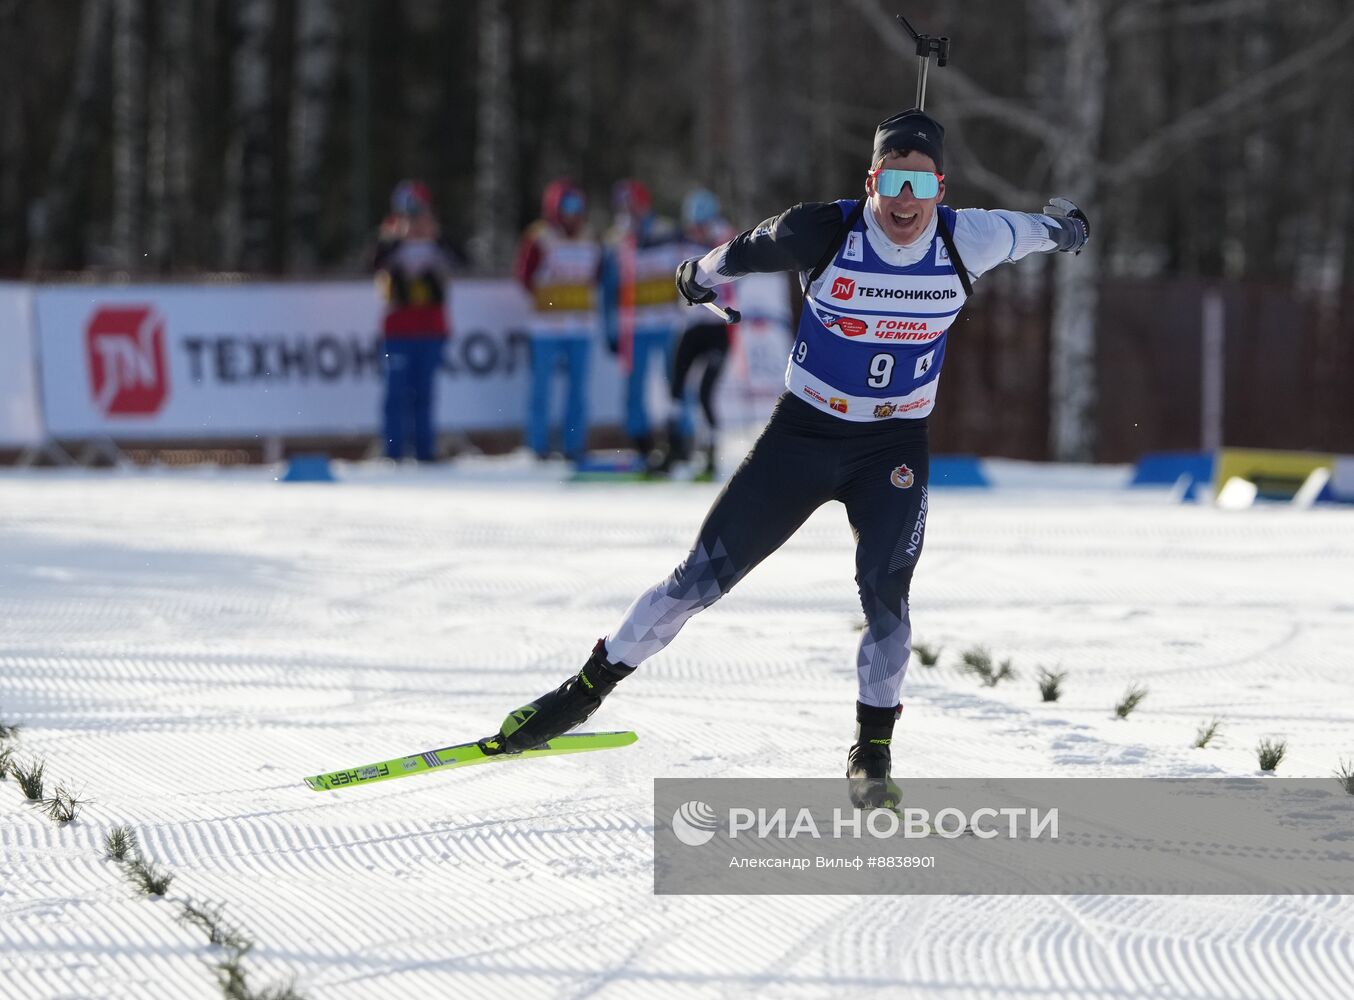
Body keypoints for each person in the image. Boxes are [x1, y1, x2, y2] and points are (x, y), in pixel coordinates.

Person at [484, 109, 1089, 808]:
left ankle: (873, 750)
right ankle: (581, 694)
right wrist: (694, 276)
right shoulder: (824, 229)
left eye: (919, 185)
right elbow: (741, 251)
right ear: (870, 180)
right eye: (891, 180)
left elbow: (1042, 231)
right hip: (802, 437)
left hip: (892, 447)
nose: (903, 200)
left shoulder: (972, 237)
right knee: (697, 580)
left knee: (887, 598)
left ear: (941, 191)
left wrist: (1069, 228)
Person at [601, 179, 688, 469]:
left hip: (667, 322)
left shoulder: (666, 230)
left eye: (633, 205)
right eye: (624, 207)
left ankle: (681, 439)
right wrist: (611, 328)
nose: (629, 212)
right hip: (634, 326)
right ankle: (641, 444)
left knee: (676, 382)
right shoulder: (616, 239)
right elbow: (609, 289)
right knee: (633, 386)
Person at [513, 179, 603, 461]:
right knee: (541, 389)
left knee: (577, 391)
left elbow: (598, 274)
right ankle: (537, 445)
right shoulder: (539, 237)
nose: (574, 213)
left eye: (578, 206)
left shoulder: (589, 236)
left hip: (580, 325)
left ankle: (573, 445)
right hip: (547, 327)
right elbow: (524, 275)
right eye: (568, 206)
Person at [374, 180, 457, 462]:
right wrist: (395, 238)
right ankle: (393, 452)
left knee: (425, 394)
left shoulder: (437, 240)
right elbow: (372, 264)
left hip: (431, 327)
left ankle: (425, 451)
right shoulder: (389, 239)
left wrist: (436, 238)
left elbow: (460, 259)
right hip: (397, 328)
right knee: (395, 394)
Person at [663, 188, 739, 479]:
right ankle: (673, 449)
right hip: (691, 326)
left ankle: (710, 453)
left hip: (717, 326)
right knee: (676, 385)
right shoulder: (682, 240)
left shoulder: (724, 237)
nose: (696, 229)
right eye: (693, 224)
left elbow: (737, 261)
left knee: (706, 391)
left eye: (701, 223)